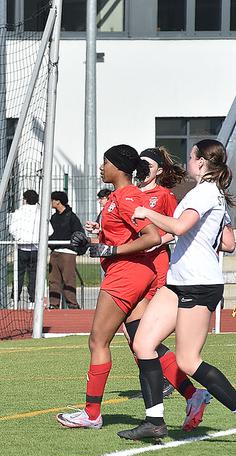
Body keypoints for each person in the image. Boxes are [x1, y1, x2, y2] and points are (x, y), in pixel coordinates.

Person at [122, 139, 236, 440]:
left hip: (198, 284)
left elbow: (181, 227)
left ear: (201, 161)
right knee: (143, 344)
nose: (187, 161)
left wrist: (147, 214)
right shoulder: (211, 194)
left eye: (190, 156)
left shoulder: (205, 192)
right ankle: (154, 421)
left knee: (188, 360)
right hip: (178, 280)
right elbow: (227, 242)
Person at [56, 145, 162, 429]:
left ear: (117, 166)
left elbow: (151, 237)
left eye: (104, 162)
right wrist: (92, 245)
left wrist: (111, 251)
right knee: (142, 343)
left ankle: (91, 414)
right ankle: (193, 395)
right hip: (133, 272)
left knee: (98, 341)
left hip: (125, 275)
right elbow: (117, 239)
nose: (101, 168)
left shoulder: (127, 196)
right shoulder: (119, 197)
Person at [47, 190, 83, 309]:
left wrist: (75, 248)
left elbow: (78, 233)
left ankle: (72, 305)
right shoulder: (53, 217)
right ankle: (53, 304)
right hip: (55, 252)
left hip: (68, 253)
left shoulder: (72, 217)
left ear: (58, 201)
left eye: (52, 200)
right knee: (53, 280)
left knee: (69, 280)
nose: (50, 202)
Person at [8, 189, 41, 307]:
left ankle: (14, 300)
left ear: (25, 199)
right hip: (36, 248)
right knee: (33, 275)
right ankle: (32, 301)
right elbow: (49, 230)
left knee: (18, 275)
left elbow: (12, 229)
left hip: (21, 248)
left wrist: (20, 237)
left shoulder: (18, 213)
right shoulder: (40, 213)